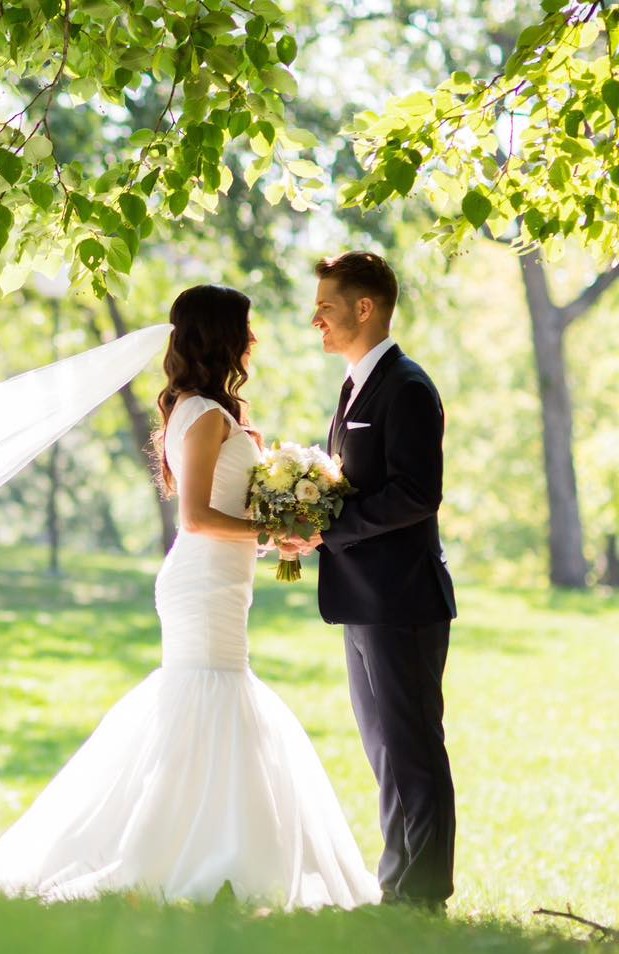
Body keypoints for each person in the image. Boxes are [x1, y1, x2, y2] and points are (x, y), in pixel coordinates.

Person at [0, 284, 379, 910]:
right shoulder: (203, 414)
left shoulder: (206, 409)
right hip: (201, 582)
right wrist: (274, 528)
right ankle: (183, 853)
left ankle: (204, 845)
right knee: (209, 696)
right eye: (246, 328)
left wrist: (273, 543)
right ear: (223, 336)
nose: (253, 340)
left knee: (206, 701)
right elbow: (198, 518)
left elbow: (221, 515)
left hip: (220, 579)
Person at [296, 252, 457, 910]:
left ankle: (423, 898)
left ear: (364, 309)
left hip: (401, 602)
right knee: (384, 750)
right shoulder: (354, 386)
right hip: (362, 599)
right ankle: (399, 887)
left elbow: (417, 493)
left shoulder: (407, 386)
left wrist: (329, 531)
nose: (316, 322)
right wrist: (307, 517)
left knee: (412, 748)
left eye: (326, 309)